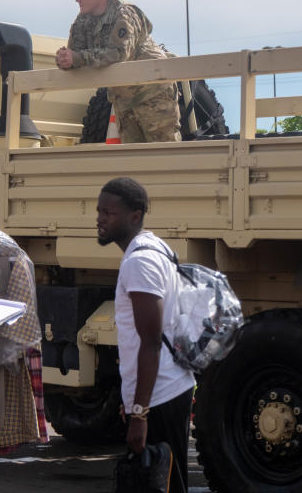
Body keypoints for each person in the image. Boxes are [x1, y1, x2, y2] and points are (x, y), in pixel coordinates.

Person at [95, 177, 195, 493]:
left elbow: (150, 342)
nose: (99, 218)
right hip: (164, 390)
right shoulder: (157, 247)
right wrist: (132, 397)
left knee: (159, 483)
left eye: (108, 213)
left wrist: (140, 412)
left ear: (134, 216)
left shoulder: (139, 261)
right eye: (98, 211)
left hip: (160, 396)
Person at [55, 0, 181, 144]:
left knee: (165, 159)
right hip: (124, 102)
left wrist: (77, 58)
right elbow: (75, 53)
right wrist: (65, 60)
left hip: (153, 96)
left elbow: (119, 53)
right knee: (133, 164)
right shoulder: (83, 20)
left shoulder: (125, 13)